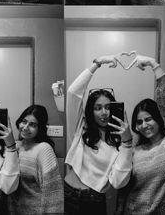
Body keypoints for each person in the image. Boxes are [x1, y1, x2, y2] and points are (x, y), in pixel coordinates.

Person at [65, 56, 132, 215]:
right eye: (98, 108)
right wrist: (97, 64)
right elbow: (73, 92)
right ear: (90, 111)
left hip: (94, 200)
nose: (104, 113)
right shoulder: (80, 128)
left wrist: (127, 141)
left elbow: (118, 181)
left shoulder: (120, 140)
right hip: (68, 194)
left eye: (108, 107)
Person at [115, 55, 165, 215]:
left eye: (148, 119)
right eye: (139, 122)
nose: (144, 125)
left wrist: (154, 65)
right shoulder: (135, 151)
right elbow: (121, 189)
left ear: (159, 119)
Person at [7, 104, 63, 214]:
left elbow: (53, 195)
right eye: (24, 121)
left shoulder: (43, 149)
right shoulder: (15, 147)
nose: (26, 127)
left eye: (33, 125)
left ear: (40, 128)